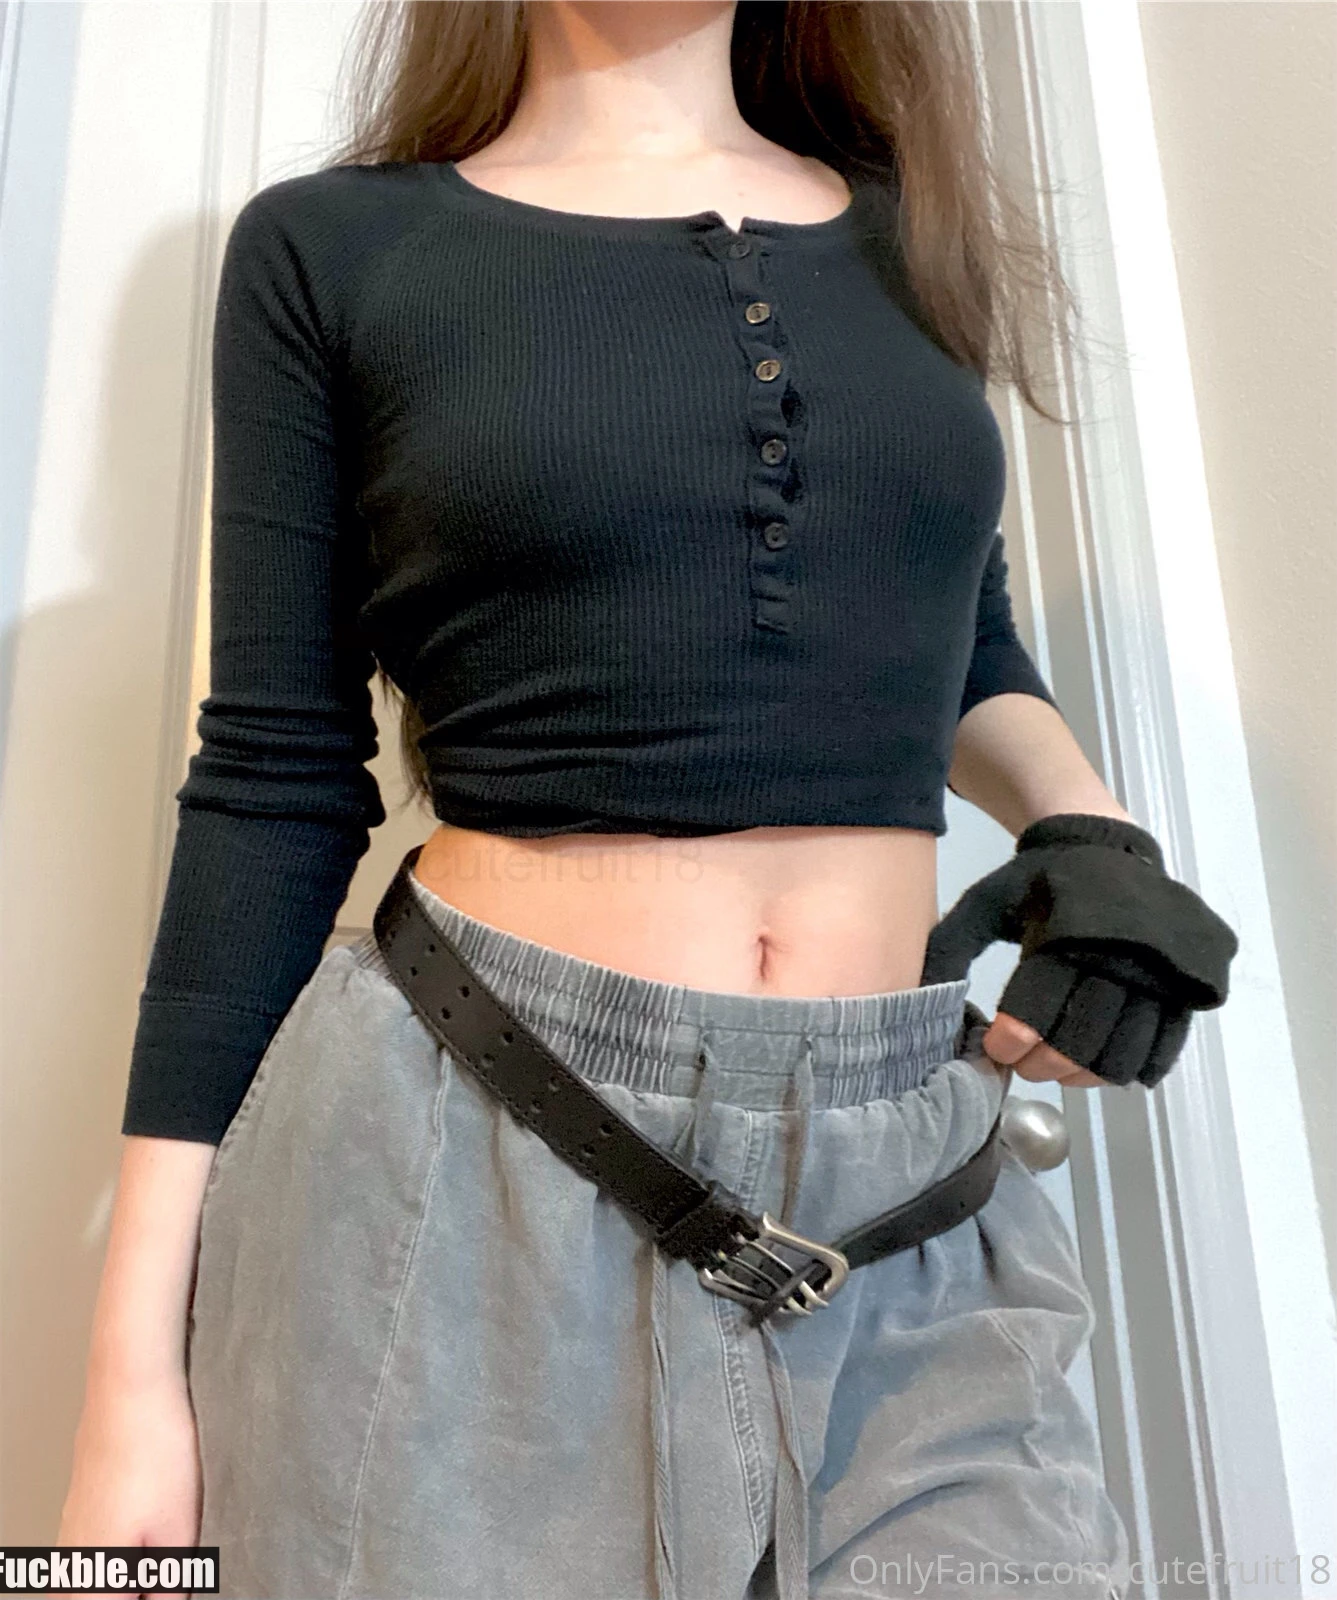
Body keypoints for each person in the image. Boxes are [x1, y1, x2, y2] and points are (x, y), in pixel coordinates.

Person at [58, 4, 1238, 1598]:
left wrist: (1088, 830)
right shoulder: (335, 249)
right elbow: (273, 779)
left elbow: (961, 638)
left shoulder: (912, 238)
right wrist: (134, 1373)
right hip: (468, 1160)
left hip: (904, 1190)